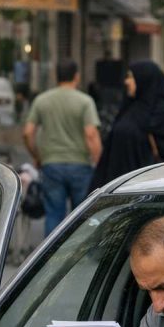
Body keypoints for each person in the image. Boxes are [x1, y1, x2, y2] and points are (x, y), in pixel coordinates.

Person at [23, 58, 102, 234]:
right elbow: (91, 134)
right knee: (82, 215)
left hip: (51, 164)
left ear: (56, 76)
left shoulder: (42, 100)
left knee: (53, 215)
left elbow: (28, 132)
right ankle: (80, 257)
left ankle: (50, 258)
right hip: (80, 165)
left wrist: (37, 155)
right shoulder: (85, 101)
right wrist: (98, 162)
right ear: (77, 76)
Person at [91, 61, 164, 190]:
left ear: (144, 79)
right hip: (119, 188)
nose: (126, 82)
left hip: (150, 189)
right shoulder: (129, 108)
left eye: (131, 77)